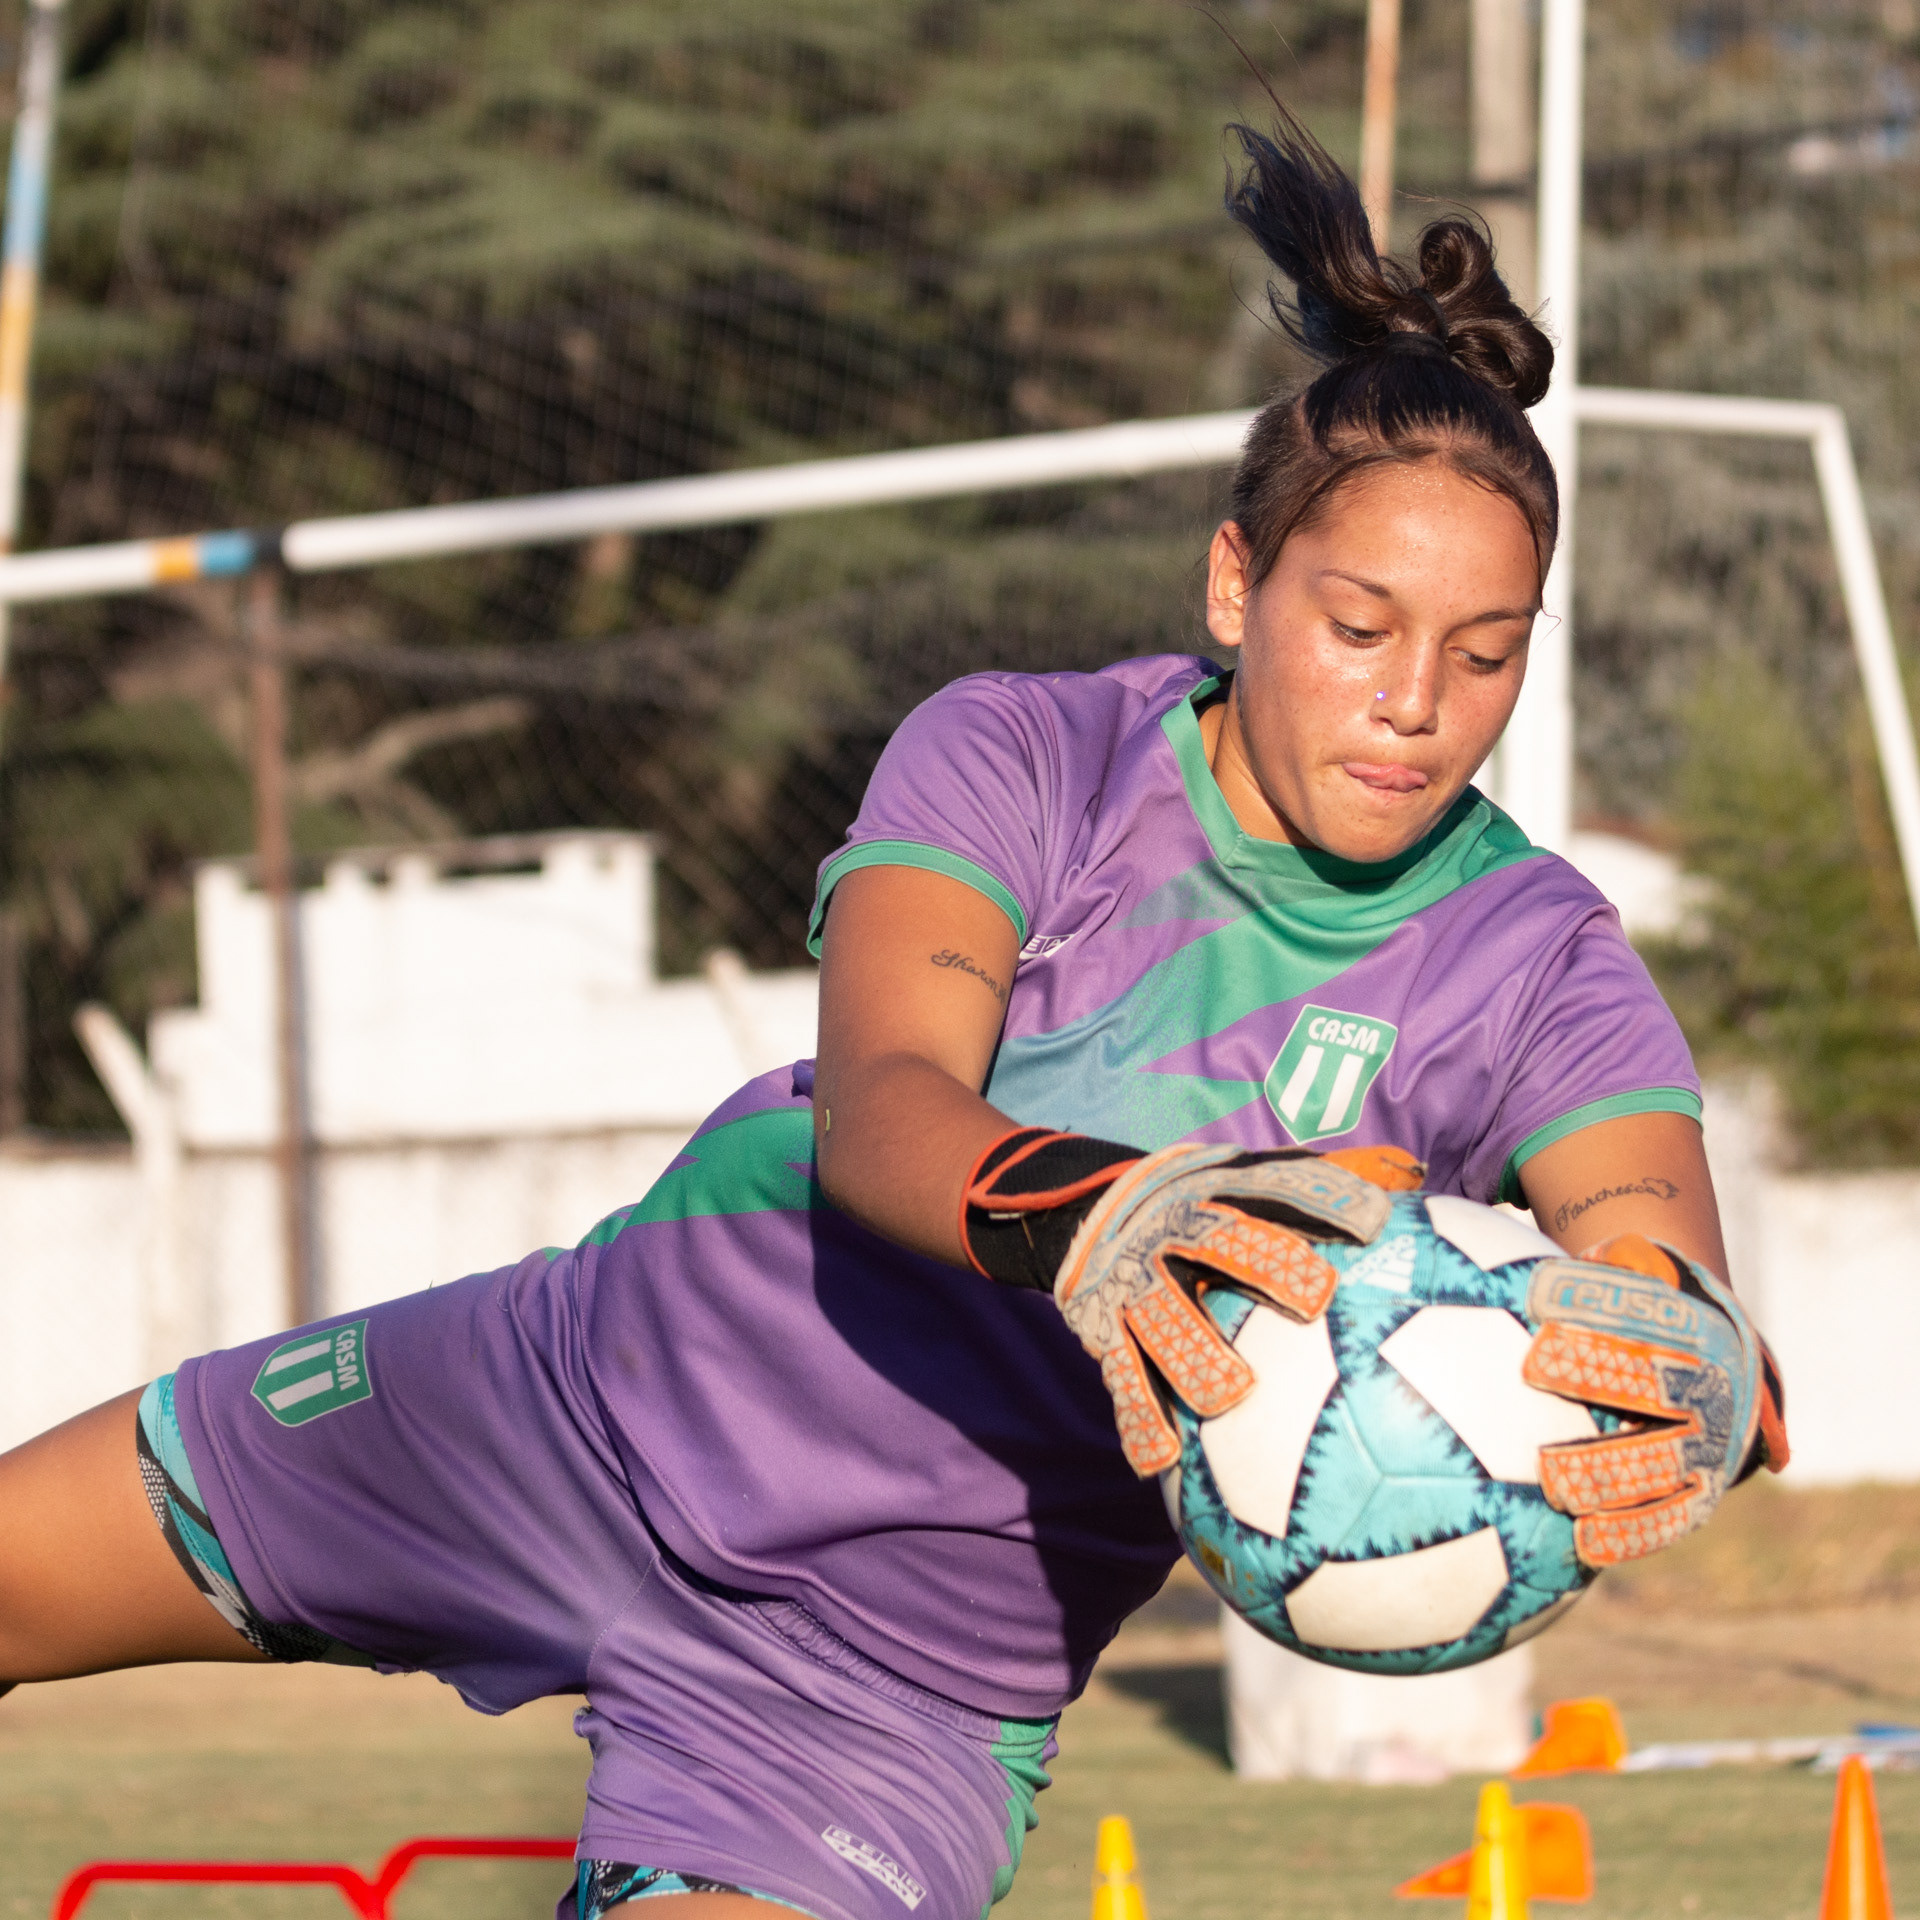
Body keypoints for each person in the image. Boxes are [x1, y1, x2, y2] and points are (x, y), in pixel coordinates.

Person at [0, 104, 1784, 1920]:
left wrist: (1695, 1377)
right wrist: (1116, 1217)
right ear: (1237, 582)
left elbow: (1658, 1272)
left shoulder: (1538, 956)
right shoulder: (1032, 751)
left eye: (1483, 656)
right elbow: (884, 1114)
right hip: (571, 1394)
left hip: (890, 1677)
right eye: (1359, 626)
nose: (1416, 700)